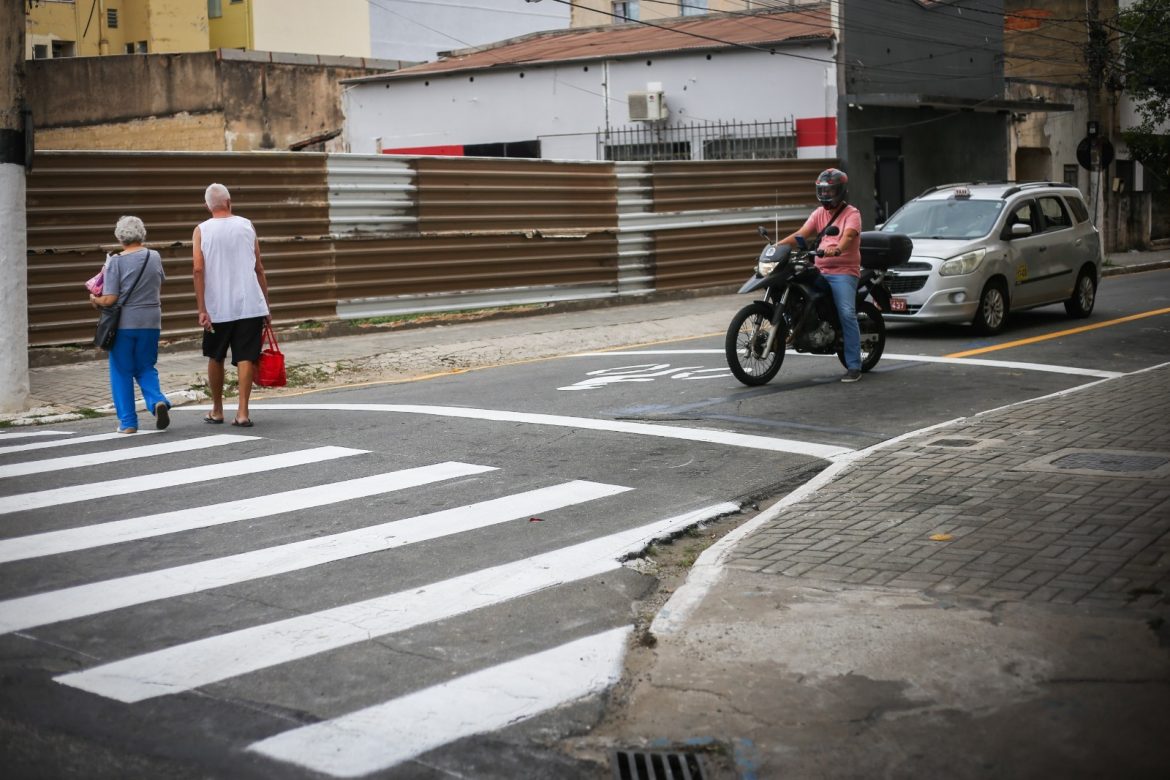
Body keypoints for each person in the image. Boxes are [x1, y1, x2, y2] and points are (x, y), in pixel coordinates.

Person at [192, 182, 271, 427]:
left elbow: (198, 269)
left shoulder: (201, 230)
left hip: (217, 308)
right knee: (246, 356)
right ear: (229, 202)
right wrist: (266, 306)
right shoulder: (247, 225)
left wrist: (202, 309)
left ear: (208, 206)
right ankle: (243, 413)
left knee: (216, 357)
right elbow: (259, 268)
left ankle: (217, 410)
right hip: (250, 305)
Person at [777, 168, 864, 383]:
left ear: (840, 191)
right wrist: (777, 247)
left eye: (830, 191)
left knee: (847, 313)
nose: (825, 195)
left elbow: (848, 236)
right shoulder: (818, 213)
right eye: (822, 191)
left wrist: (838, 249)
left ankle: (854, 365)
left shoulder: (852, 214)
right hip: (820, 269)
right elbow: (801, 234)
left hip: (843, 272)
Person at [89, 216, 171, 433]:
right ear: (142, 234)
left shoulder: (115, 261)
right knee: (146, 366)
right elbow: (158, 283)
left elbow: (110, 299)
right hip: (151, 321)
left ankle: (128, 423)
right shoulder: (154, 256)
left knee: (122, 371)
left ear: (119, 237)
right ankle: (157, 401)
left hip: (124, 324)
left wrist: (95, 299)